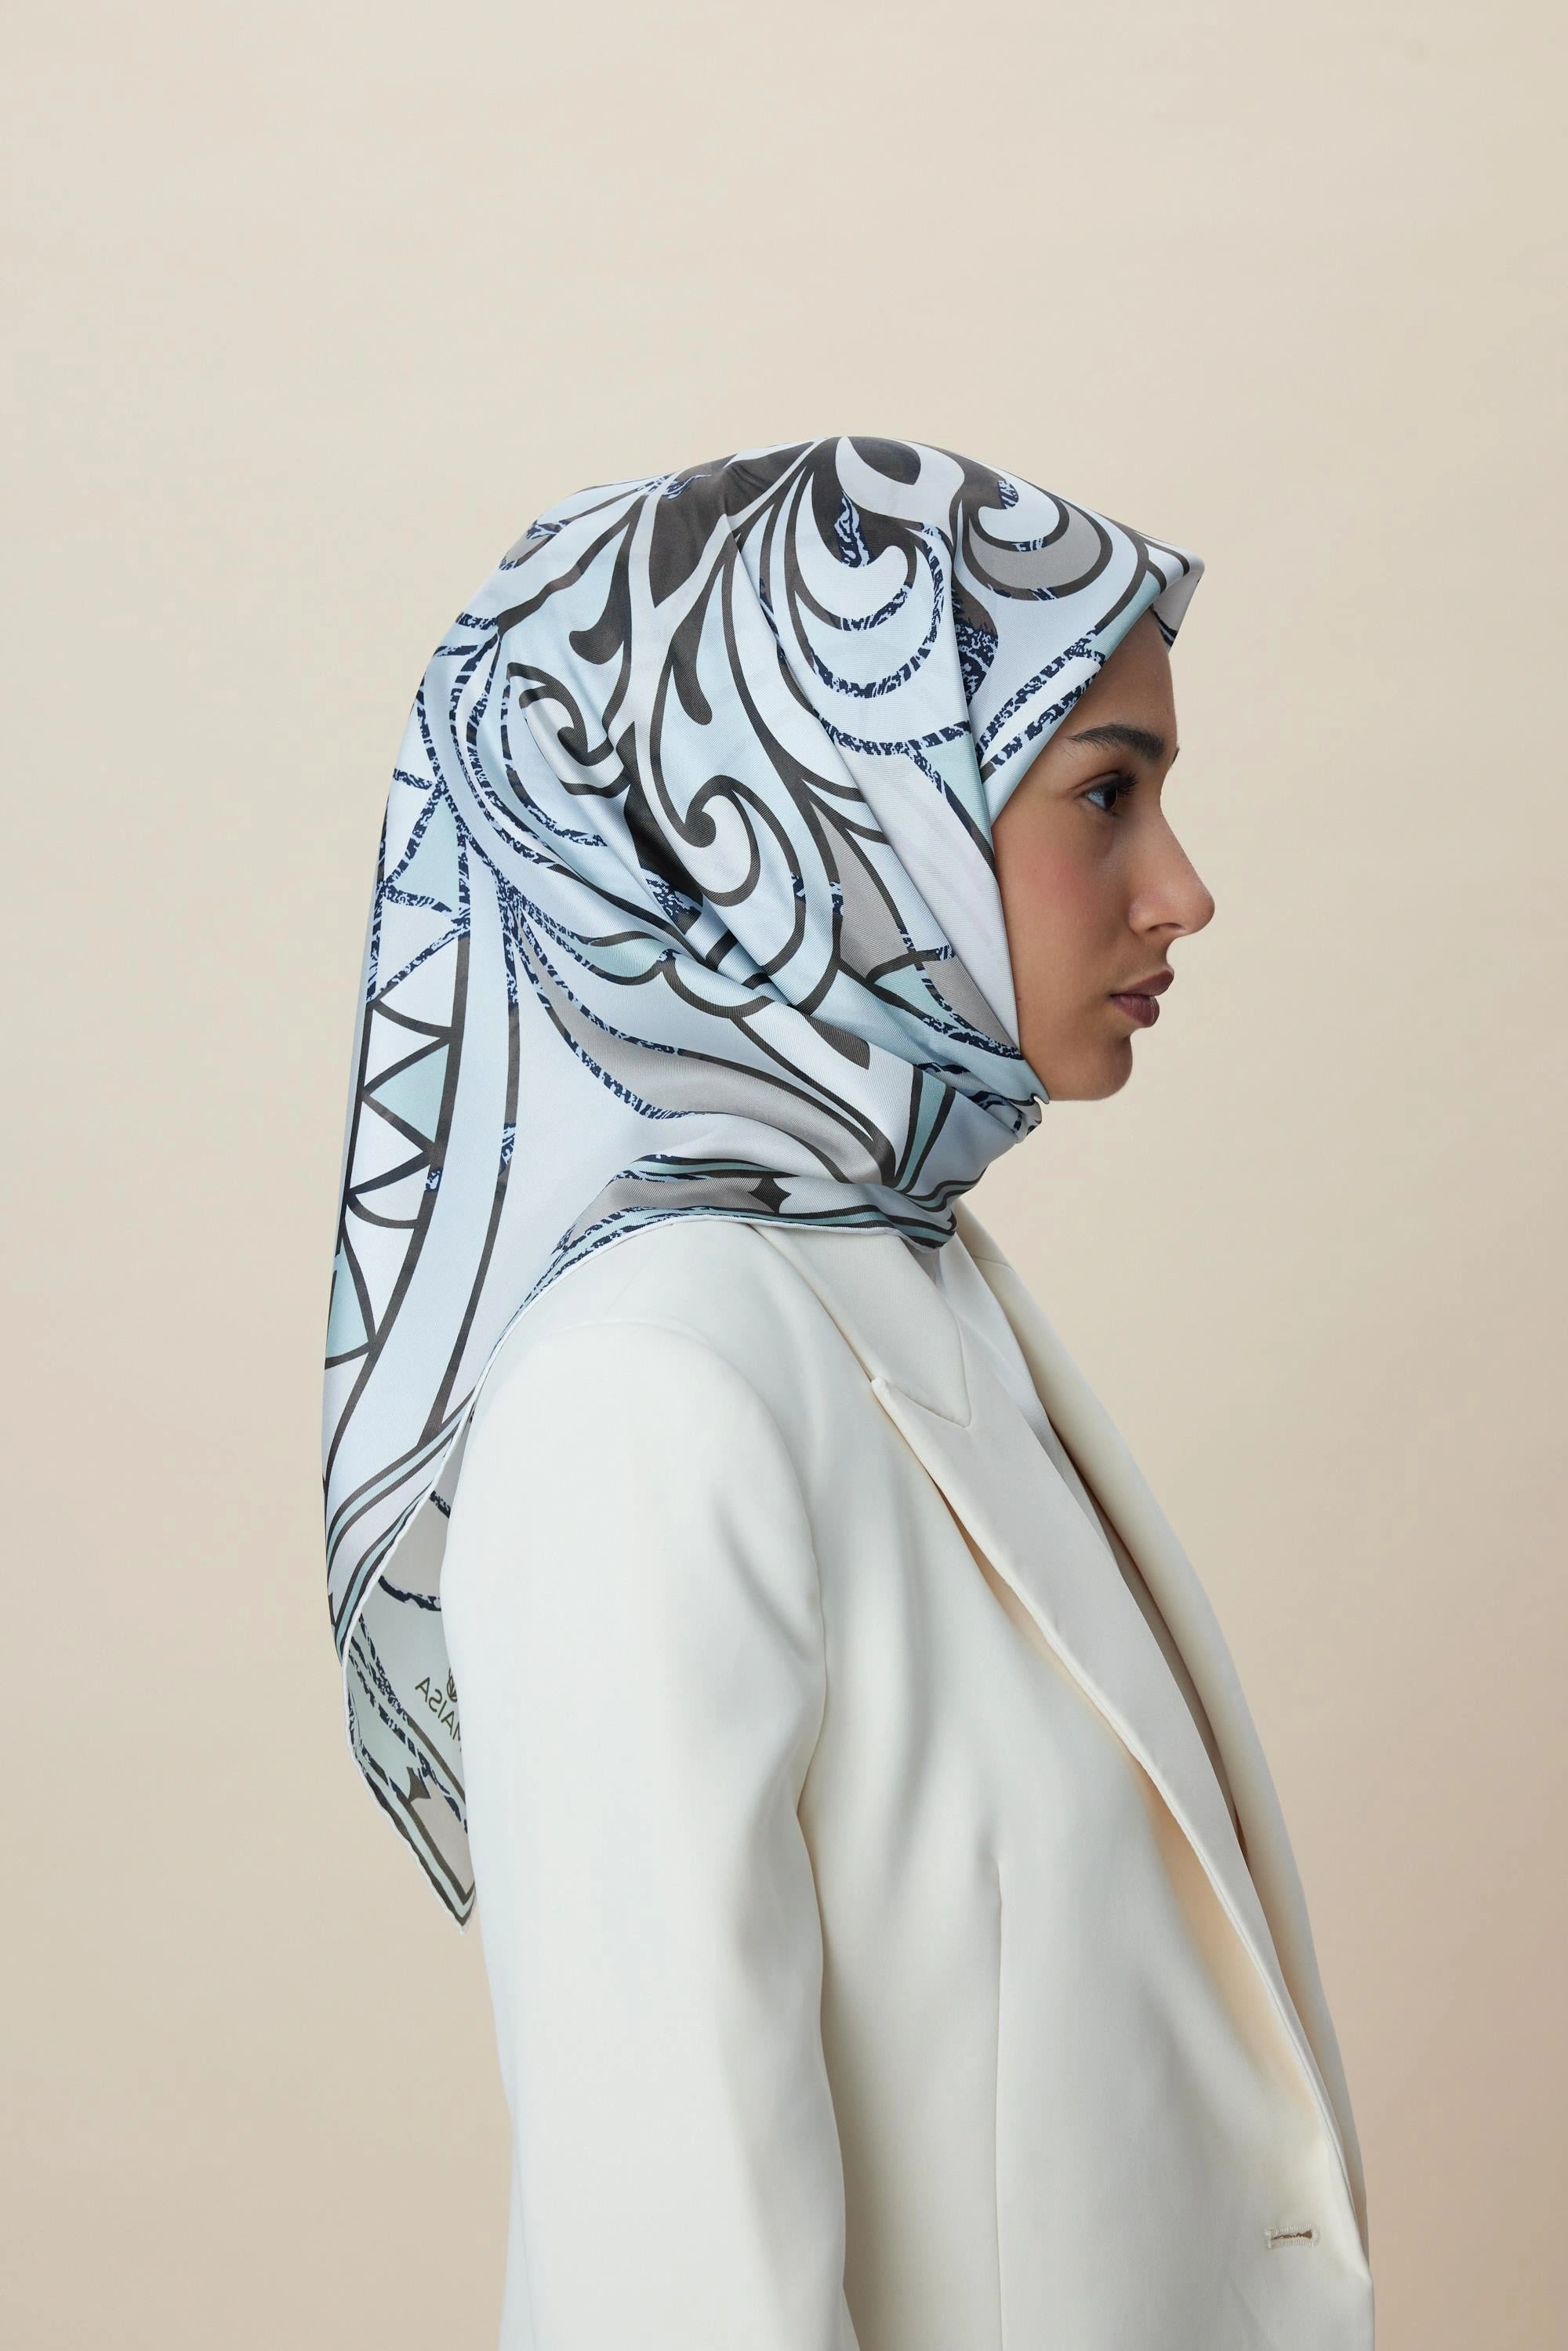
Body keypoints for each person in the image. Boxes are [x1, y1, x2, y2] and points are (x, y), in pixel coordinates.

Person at [322, 437, 1373, 2350]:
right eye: (1106, 793)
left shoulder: (898, 1265)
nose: (1183, 890)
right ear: (828, 808)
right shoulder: (650, 1384)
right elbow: (672, 2271)